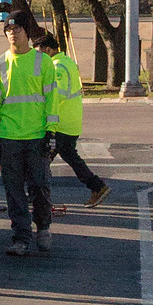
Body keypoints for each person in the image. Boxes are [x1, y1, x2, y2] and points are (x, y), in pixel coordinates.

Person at [0, 19, 59, 256]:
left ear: (27, 33)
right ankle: (21, 238)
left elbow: (51, 99)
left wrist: (51, 131)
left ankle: (43, 227)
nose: (12, 33)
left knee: (40, 185)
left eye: (17, 29)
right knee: (13, 190)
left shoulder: (43, 62)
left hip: (37, 136)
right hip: (9, 137)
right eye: (8, 30)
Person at [33, 29, 110, 207]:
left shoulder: (57, 66)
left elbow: (56, 94)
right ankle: (97, 187)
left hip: (60, 124)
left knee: (41, 162)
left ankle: (38, 198)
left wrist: (38, 106)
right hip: (69, 123)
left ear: (48, 50)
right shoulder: (67, 62)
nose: (37, 58)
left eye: (39, 53)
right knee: (69, 158)